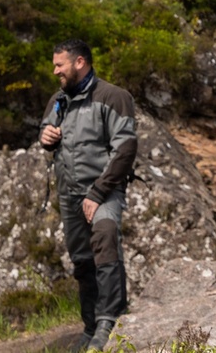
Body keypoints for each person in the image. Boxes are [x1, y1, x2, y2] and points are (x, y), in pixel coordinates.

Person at [39, 39, 138, 352]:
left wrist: (97, 192)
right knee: (81, 259)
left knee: (105, 241)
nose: (55, 71)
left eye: (59, 65)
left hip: (104, 189)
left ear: (79, 62)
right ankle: (90, 325)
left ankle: (110, 319)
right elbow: (46, 133)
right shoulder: (58, 99)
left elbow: (125, 149)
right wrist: (46, 138)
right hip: (69, 193)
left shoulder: (114, 97)